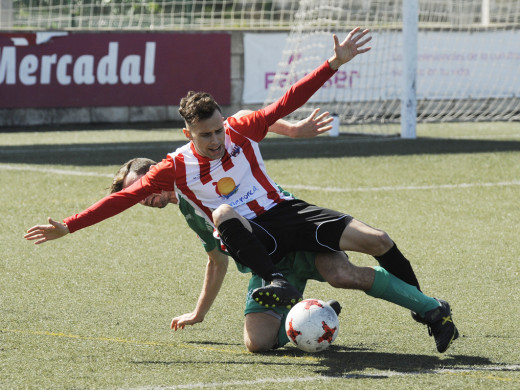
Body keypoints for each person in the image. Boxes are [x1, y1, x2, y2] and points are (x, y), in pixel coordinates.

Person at [25, 27, 458, 353]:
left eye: (217, 130)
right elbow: (120, 199)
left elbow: (284, 103)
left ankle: (429, 309)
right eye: (205, 135)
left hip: (286, 214)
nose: (215, 140)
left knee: (376, 240)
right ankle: (280, 286)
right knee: (256, 338)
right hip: (258, 241)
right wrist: (70, 226)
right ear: (187, 132)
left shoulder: (239, 128)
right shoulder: (174, 168)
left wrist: (333, 64)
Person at [111, 157, 357, 352]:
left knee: (347, 275)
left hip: (292, 246)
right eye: (134, 196)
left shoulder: (199, 182)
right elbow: (216, 260)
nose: (142, 199)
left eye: (142, 188)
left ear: (156, 172)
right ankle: (321, 312)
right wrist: (199, 313)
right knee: (258, 344)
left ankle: (391, 274)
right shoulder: (188, 209)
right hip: (267, 267)